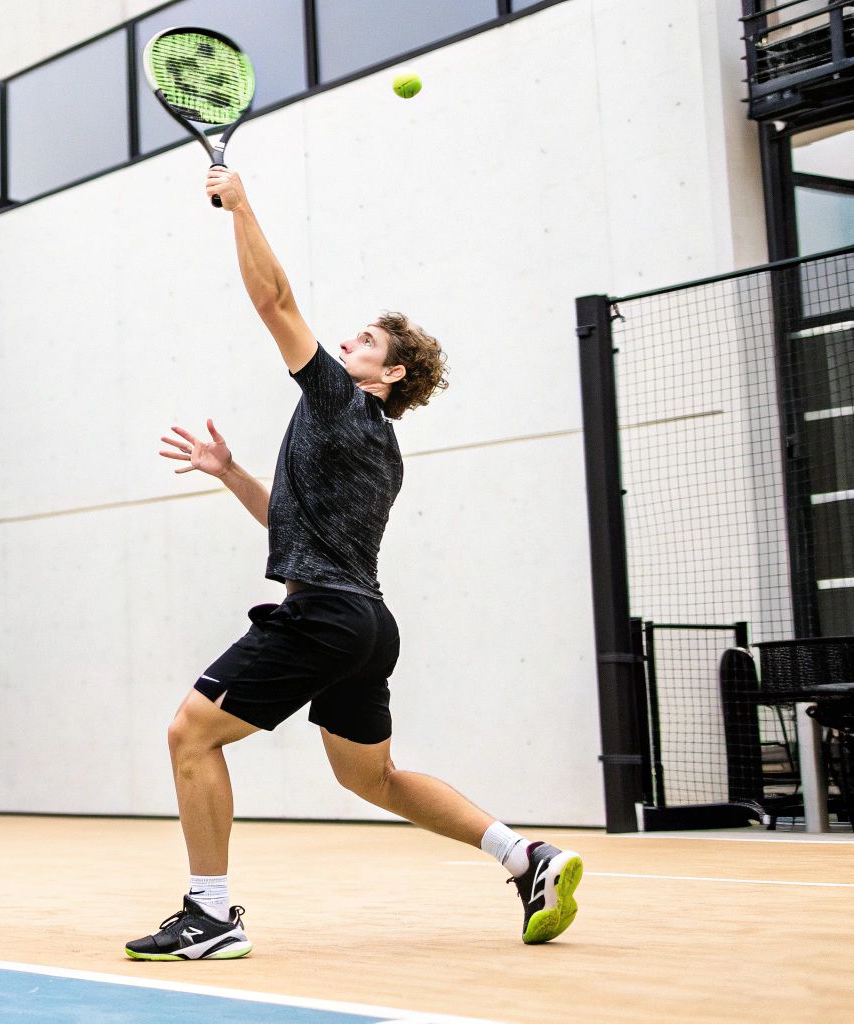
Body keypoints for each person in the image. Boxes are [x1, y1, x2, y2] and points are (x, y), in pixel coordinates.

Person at [123, 168, 582, 962]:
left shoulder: (339, 401)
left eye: (365, 342)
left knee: (190, 734)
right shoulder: (381, 449)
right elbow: (293, 527)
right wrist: (231, 472)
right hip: (366, 624)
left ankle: (210, 915)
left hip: (326, 615)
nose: (344, 345)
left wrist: (241, 205)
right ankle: (524, 856)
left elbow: (274, 301)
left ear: (390, 373)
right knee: (372, 779)